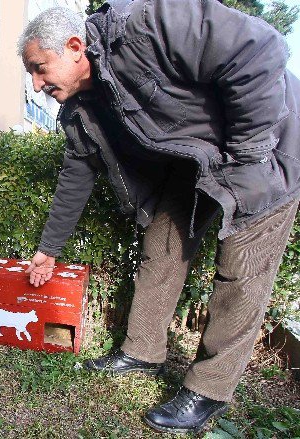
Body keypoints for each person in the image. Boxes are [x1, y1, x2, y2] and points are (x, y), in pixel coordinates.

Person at [19, 1, 300, 435]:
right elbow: (75, 179)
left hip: (266, 150)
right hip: (194, 165)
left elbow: (259, 48)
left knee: (242, 271)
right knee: (162, 248)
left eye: (39, 68)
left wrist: (249, 157)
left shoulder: (149, 24)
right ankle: (142, 352)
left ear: (75, 47)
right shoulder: (80, 111)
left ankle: (209, 389)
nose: (36, 85)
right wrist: (47, 252)